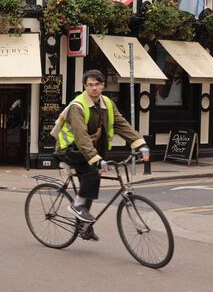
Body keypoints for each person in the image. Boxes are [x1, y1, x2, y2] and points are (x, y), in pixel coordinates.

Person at [56, 69, 150, 241]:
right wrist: (97, 160)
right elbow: (81, 137)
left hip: (89, 150)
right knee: (92, 174)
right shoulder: (77, 106)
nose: (94, 88)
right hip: (70, 149)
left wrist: (140, 144)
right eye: (90, 85)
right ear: (85, 86)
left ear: (103, 86)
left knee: (91, 183)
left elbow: (122, 124)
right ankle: (77, 206)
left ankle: (84, 225)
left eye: (97, 84)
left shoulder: (107, 103)